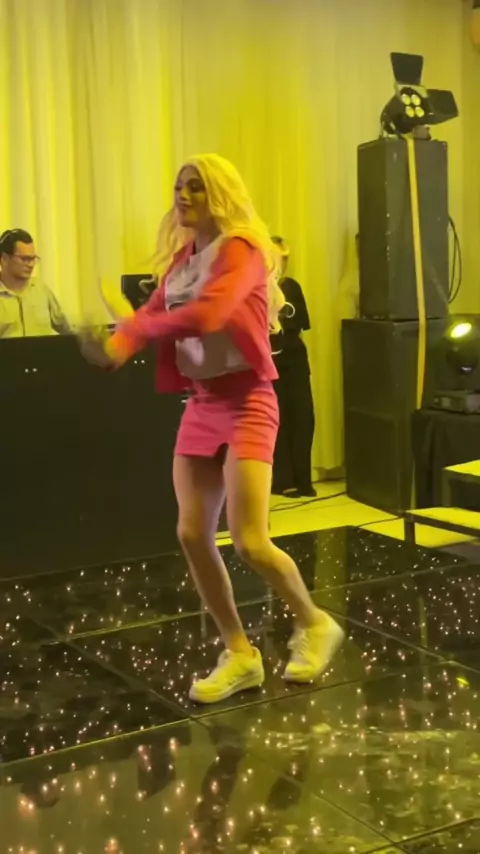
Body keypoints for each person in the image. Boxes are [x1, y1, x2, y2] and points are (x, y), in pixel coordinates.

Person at [80, 154, 344, 704]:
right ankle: (240, 654)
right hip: (202, 403)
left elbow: (209, 314)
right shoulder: (183, 262)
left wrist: (140, 324)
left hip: (248, 400)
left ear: (220, 193)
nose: (184, 195)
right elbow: (151, 316)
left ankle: (315, 623)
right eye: (180, 186)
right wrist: (115, 347)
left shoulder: (242, 250)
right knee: (191, 533)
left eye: (197, 187)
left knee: (249, 541)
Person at [270, 236, 316, 498]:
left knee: (303, 417)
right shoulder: (255, 288)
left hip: (294, 359)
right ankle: (283, 479)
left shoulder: (291, 287)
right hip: (270, 361)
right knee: (278, 419)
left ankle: (303, 477)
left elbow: (299, 325)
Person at [0, 229, 70, 337]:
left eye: (33, 259)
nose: (31, 264)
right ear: (4, 259)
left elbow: (68, 330)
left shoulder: (42, 291)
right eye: (25, 259)